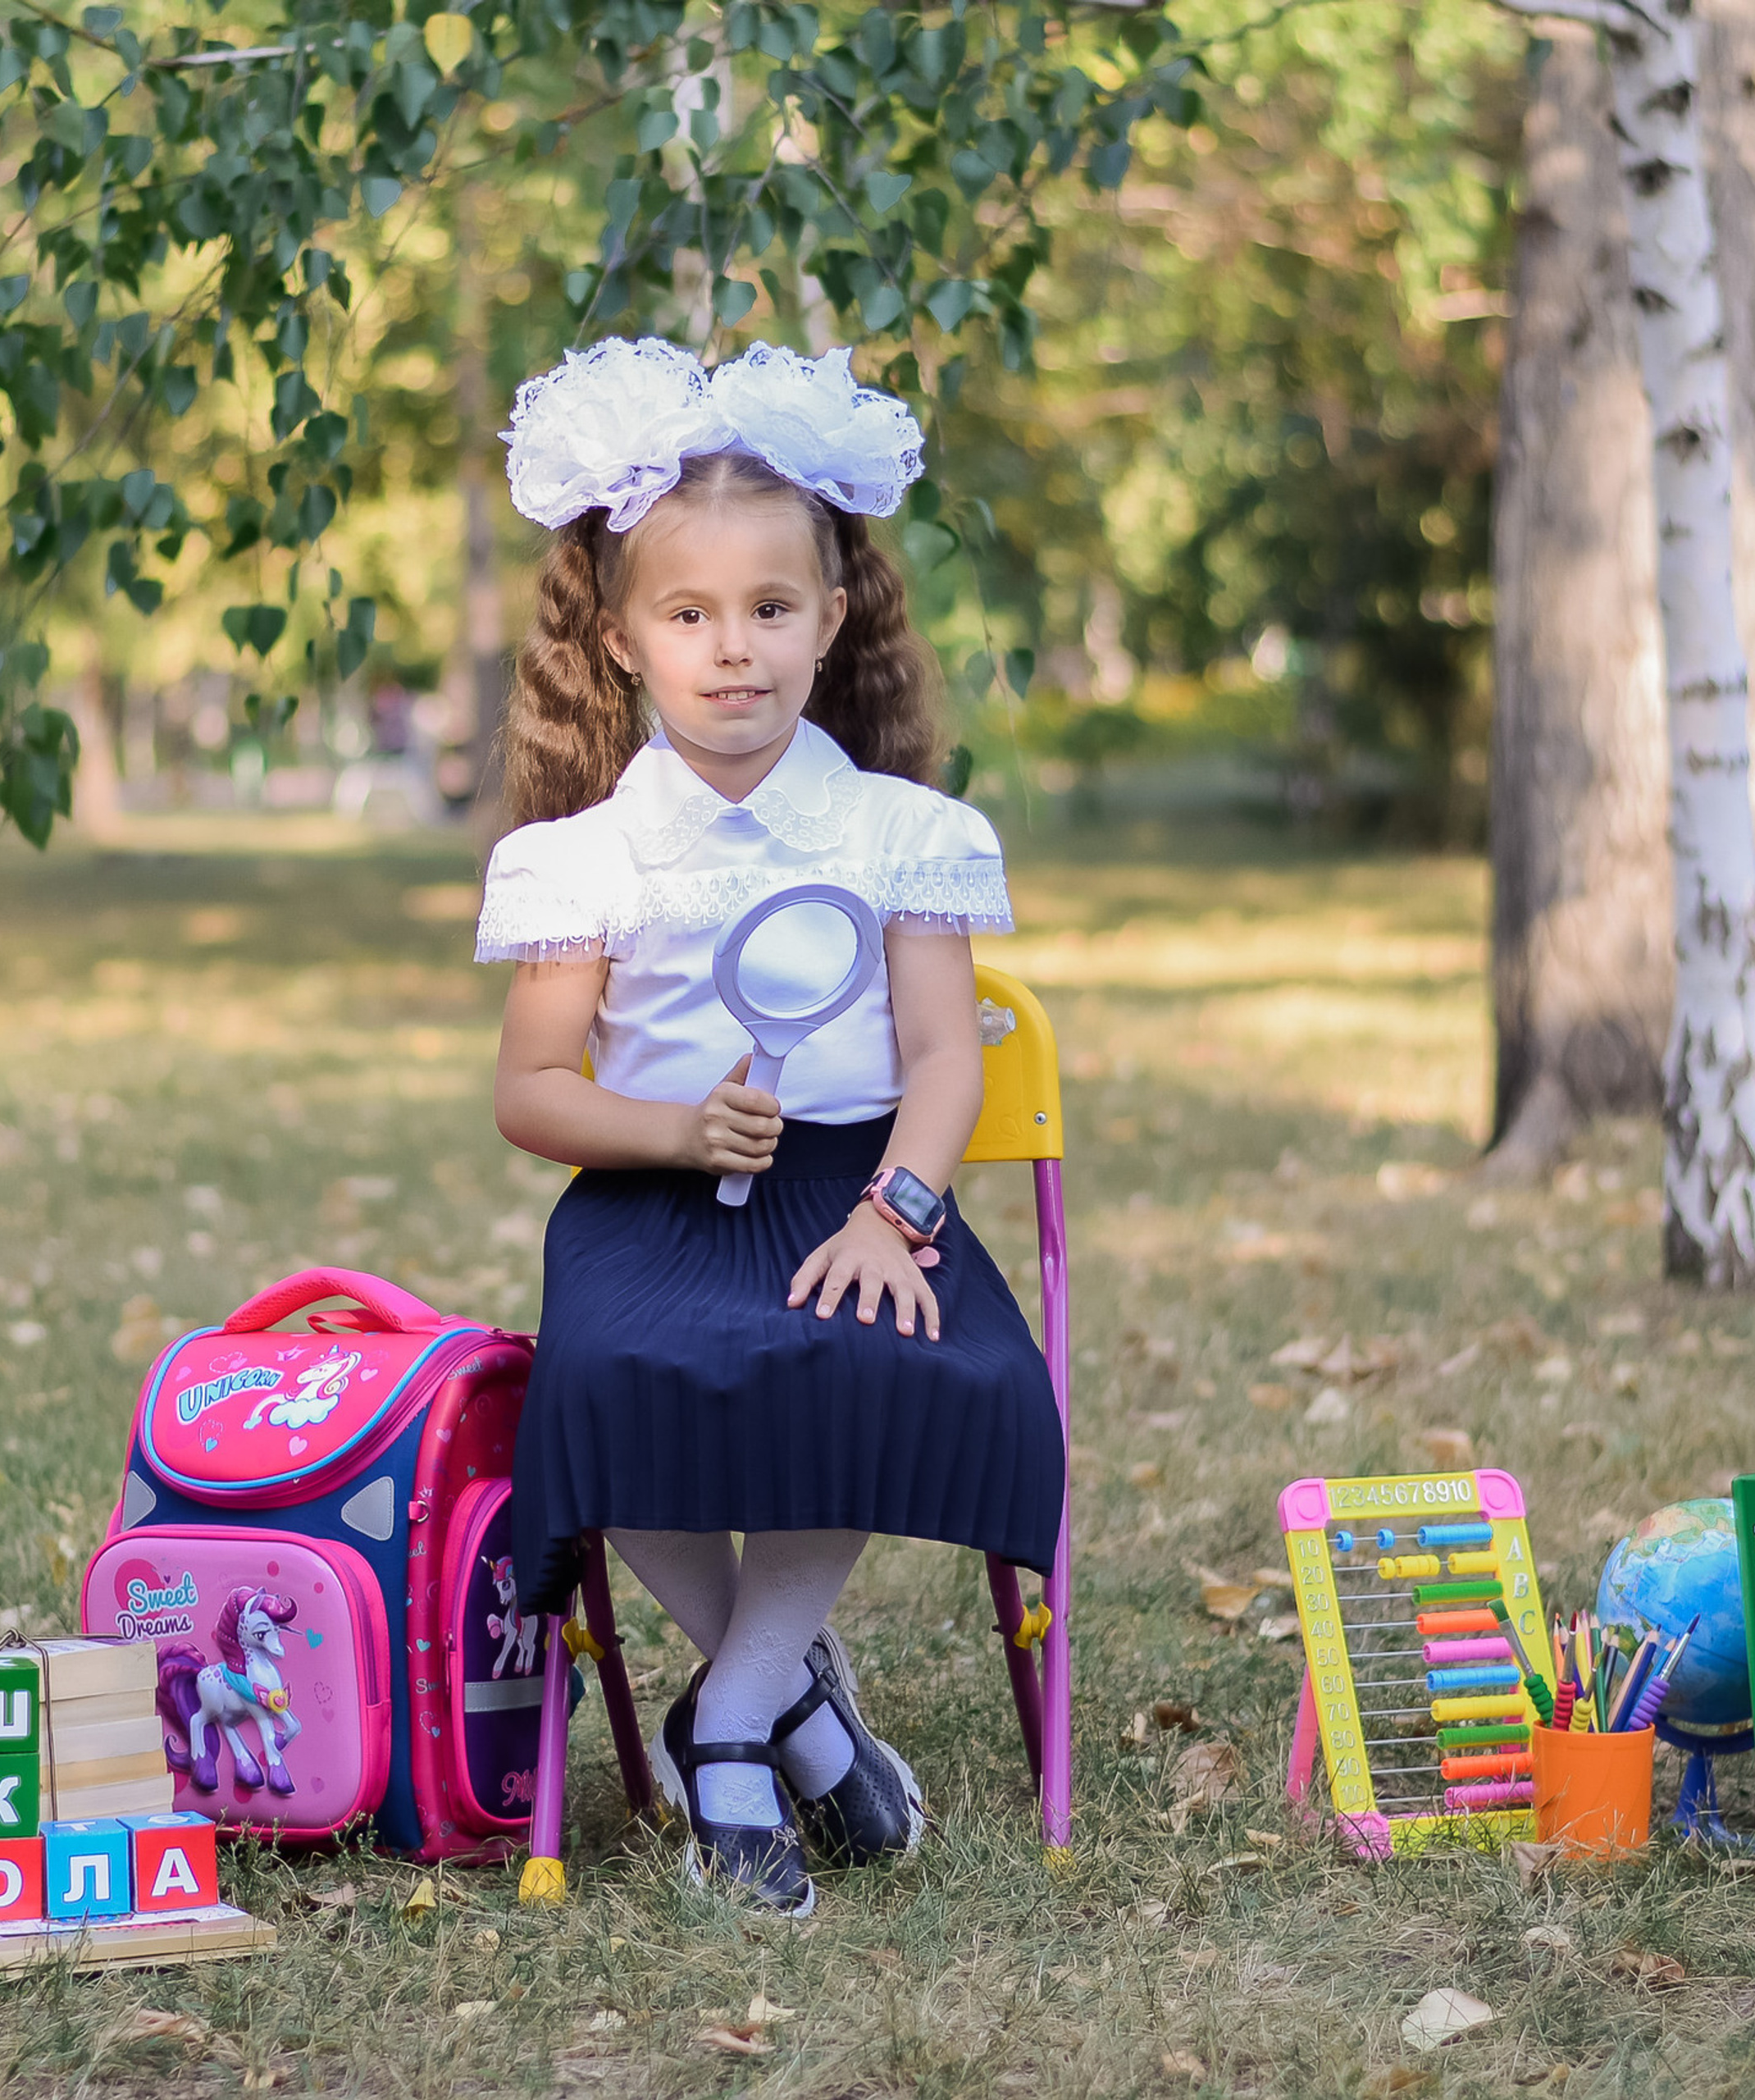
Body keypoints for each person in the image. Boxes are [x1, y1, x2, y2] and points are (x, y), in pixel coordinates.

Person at [476, 338, 1064, 1915]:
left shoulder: (906, 834)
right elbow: (532, 1089)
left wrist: (899, 1213)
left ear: (832, 617)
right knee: (617, 1382)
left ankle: (729, 1722)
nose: (732, 649)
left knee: (865, 1357)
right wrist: (674, 1132)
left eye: (770, 608)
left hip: (859, 1185)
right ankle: (791, 1700)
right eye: (688, 614)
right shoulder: (578, 861)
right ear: (620, 641)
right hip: (652, 1194)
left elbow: (944, 1058)